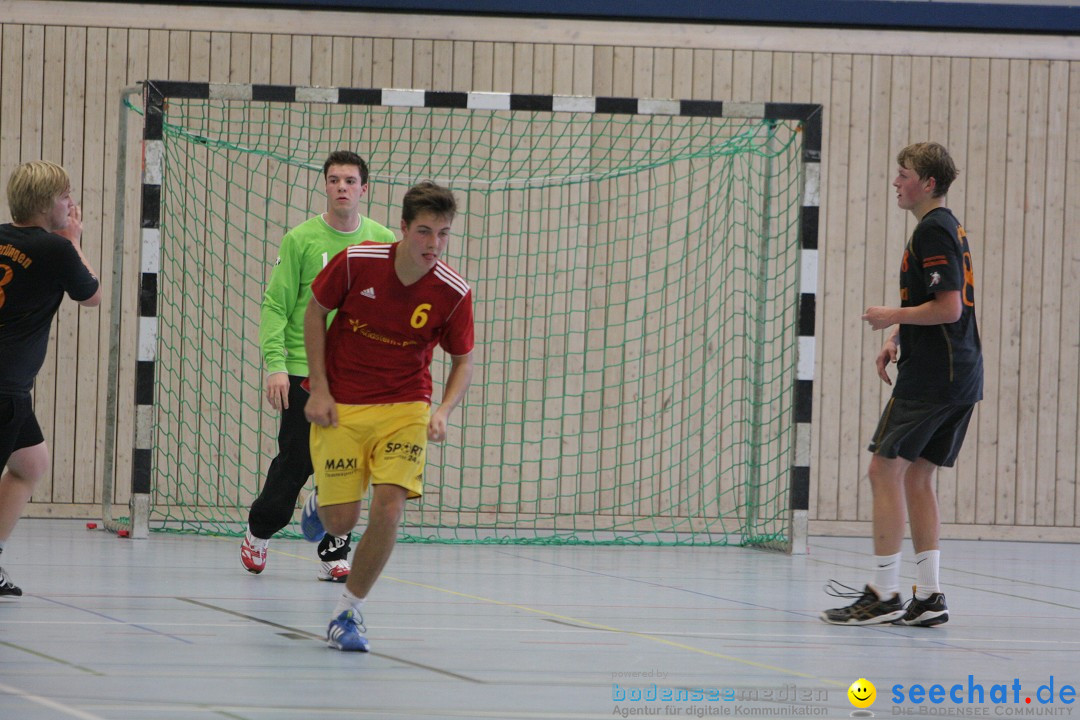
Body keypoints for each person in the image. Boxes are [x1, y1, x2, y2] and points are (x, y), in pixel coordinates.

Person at [300, 181, 474, 651]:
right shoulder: (358, 262)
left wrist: (442, 411)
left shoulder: (453, 292)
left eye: (443, 234)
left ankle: (347, 613)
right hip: (343, 403)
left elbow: (463, 360)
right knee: (340, 523)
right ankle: (321, 504)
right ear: (401, 229)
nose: (433, 244)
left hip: (405, 407)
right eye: (424, 232)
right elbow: (314, 313)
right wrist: (318, 388)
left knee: (390, 507)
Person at [822, 142, 982, 627]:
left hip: (934, 377)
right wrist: (900, 332)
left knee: (882, 471)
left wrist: (891, 315)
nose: (896, 181)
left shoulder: (933, 228)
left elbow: (950, 307)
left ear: (928, 183)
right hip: (960, 373)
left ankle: (884, 592)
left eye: (904, 174)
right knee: (916, 476)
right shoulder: (943, 225)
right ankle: (930, 596)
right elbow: (940, 304)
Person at [240, 151, 396, 581]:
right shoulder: (301, 239)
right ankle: (261, 527)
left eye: (350, 180)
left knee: (348, 459)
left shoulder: (382, 241)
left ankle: (335, 547)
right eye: (334, 180)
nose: (342, 187)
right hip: (301, 368)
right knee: (297, 462)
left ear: (364, 189)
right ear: (325, 186)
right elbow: (276, 305)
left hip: (357, 374)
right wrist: (274, 365)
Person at [0, 161, 102, 597]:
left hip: (12, 389)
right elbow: (92, 294)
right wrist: (74, 240)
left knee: (31, 463)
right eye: (66, 197)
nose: (72, 204)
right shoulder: (55, 249)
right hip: (5, 388)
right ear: (46, 206)